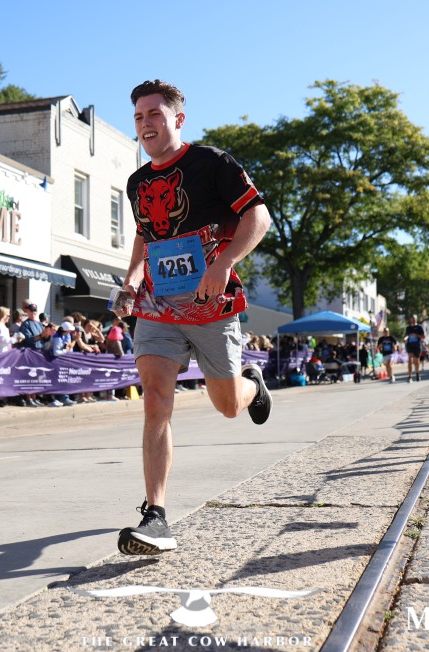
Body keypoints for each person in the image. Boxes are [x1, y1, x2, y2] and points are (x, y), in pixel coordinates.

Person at [114, 79, 273, 556]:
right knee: (155, 402)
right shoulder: (137, 183)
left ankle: (252, 385)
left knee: (227, 405)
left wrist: (223, 263)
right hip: (158, 306)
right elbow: (144, 235)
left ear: (178, 119)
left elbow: (258, 217)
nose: (145, 123)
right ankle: (156, 516)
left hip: (211, 302)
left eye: (155, 114)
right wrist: (131, 281)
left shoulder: (211, 163)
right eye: (139, 116)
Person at [404, 316, 425, 383]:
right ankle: (410, 376)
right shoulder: (408, 328)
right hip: (410, 345)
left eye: (414, 319)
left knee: (416, 361)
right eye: (412, 319)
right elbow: (407, 335)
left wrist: (416, 335)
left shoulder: (419, 327)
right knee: (410, 360)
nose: (413, 320)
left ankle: (417, 373)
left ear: (416, 319)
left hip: (417, 345)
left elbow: (423, 337)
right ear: (410, 320)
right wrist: (405, 339)